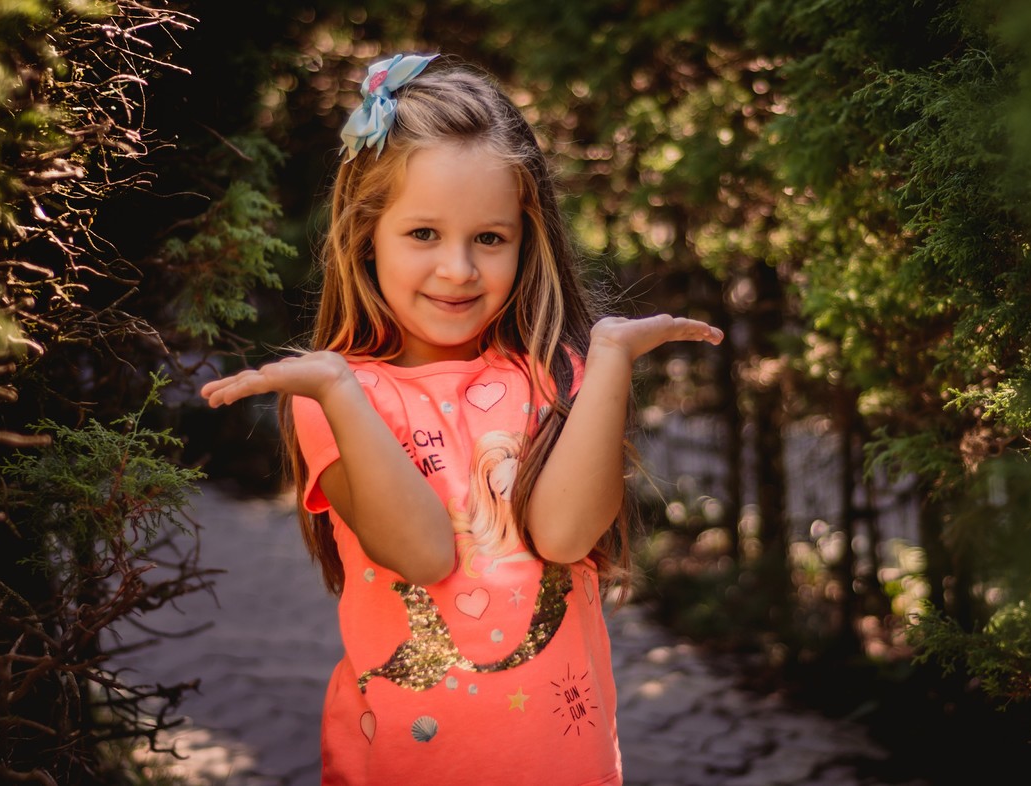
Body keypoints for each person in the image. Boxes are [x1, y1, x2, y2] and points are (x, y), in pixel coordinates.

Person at [201, 52, 723, 786]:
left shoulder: (557, 373)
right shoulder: (338, 400)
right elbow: (422, 553)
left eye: (489, 238)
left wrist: (608, 358)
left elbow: (567, 534)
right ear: (365, 237)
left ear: (524, 239)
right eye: (423, 235)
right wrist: (339, 391)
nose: (458, 269)